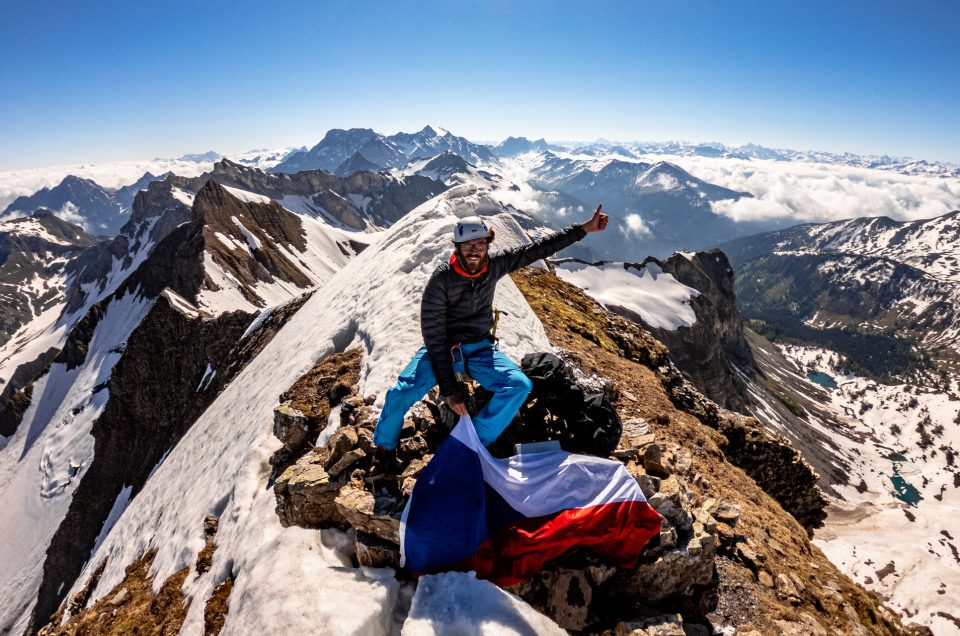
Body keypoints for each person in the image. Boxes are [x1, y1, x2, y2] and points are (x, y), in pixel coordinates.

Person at [373, 205, 609, 455]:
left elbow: (539, 248)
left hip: (479, 348)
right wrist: (450, 390)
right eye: (467, 246)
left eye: (480, 245)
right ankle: (385, 450)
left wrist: (585, 229)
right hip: (441, 350)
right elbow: (433, 336)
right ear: (457, 247)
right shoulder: (441, 280)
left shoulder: (495, 265)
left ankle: (471, 444)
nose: (474, 251)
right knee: (400, 393)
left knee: (519, 385)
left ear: (488, 245)